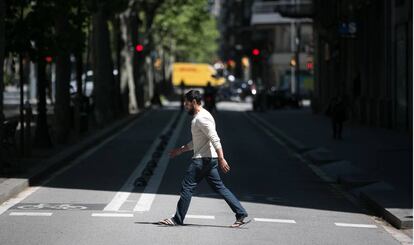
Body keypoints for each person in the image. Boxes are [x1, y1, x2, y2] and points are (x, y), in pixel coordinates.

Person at [158, 90, 248, 227]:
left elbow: (214, 138)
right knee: (220, 188)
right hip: (208, 159)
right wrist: (180, 150)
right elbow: (198, 141)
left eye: (187, 103)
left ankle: (177, 219)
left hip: (202, 160)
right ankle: (240, 213)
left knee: (187, 187)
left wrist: (221, 158)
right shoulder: (204, 115)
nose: (185, 105)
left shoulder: (201, 118)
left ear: (194, 102)